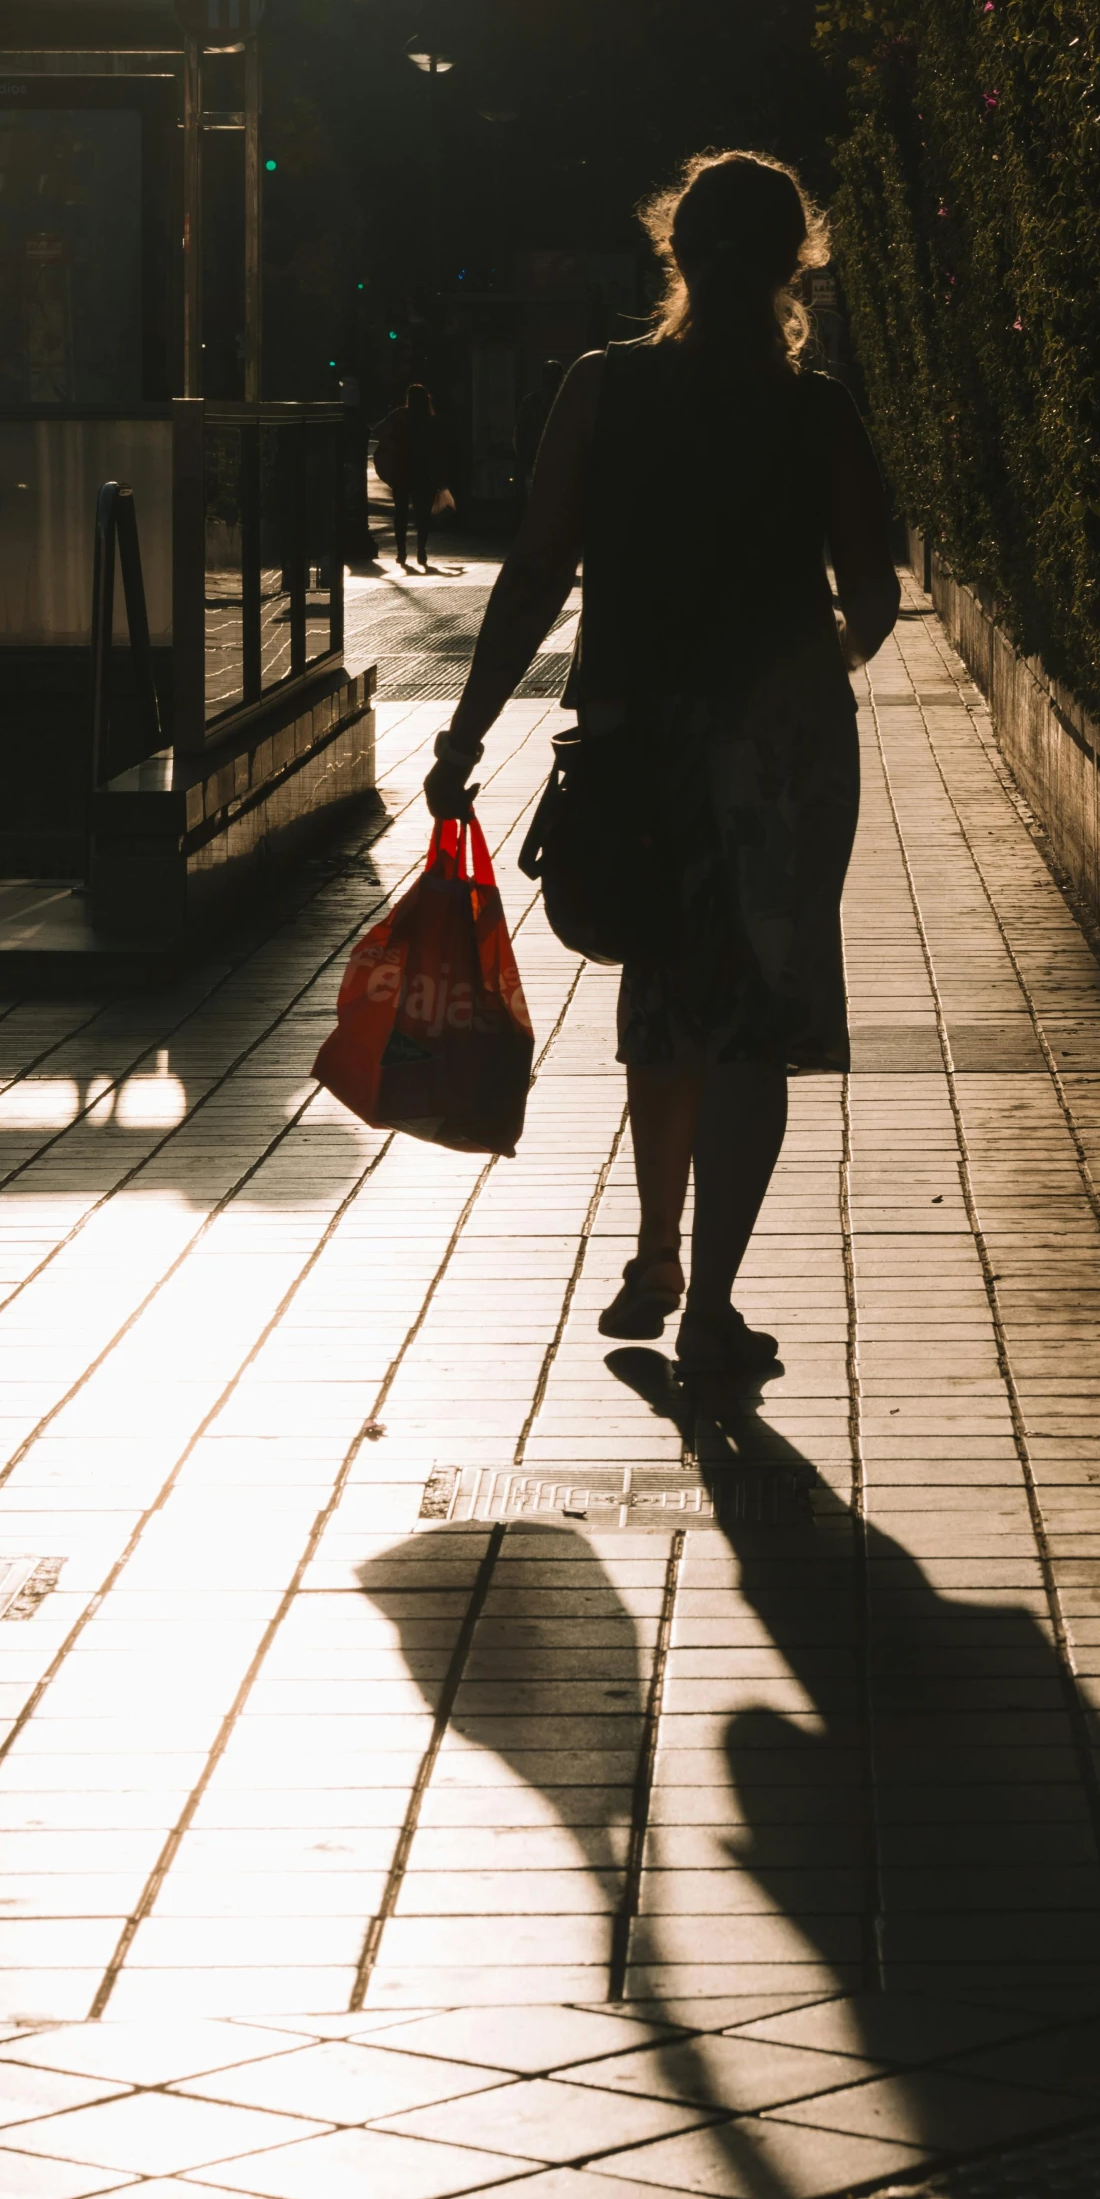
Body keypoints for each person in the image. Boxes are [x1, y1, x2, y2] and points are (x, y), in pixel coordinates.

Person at [423, 150, 899, 1373]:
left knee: (663, 1001)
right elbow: (872, 592)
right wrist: (808, 665)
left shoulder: (602, 389)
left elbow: (534, 572)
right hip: (786, 755)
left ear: (672, 252)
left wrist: (469, 730)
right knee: (756, 1012)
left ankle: (651, 1251)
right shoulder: (818, 411)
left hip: (641, 748)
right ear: (801, 262)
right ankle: (717, 1304)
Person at [373, 383, 453, 571]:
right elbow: (440, 451)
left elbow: (377, 431)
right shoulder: (430, 421)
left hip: (400, 470)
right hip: (423, 472)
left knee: (400, 512)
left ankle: (401, 551)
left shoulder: (399, 415)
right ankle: (421, 550)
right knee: (422, 514)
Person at [515, 357, 566, 498]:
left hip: (539, 462)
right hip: (550, 463)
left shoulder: (531, 401)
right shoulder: (568, 402)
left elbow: (520, 433)